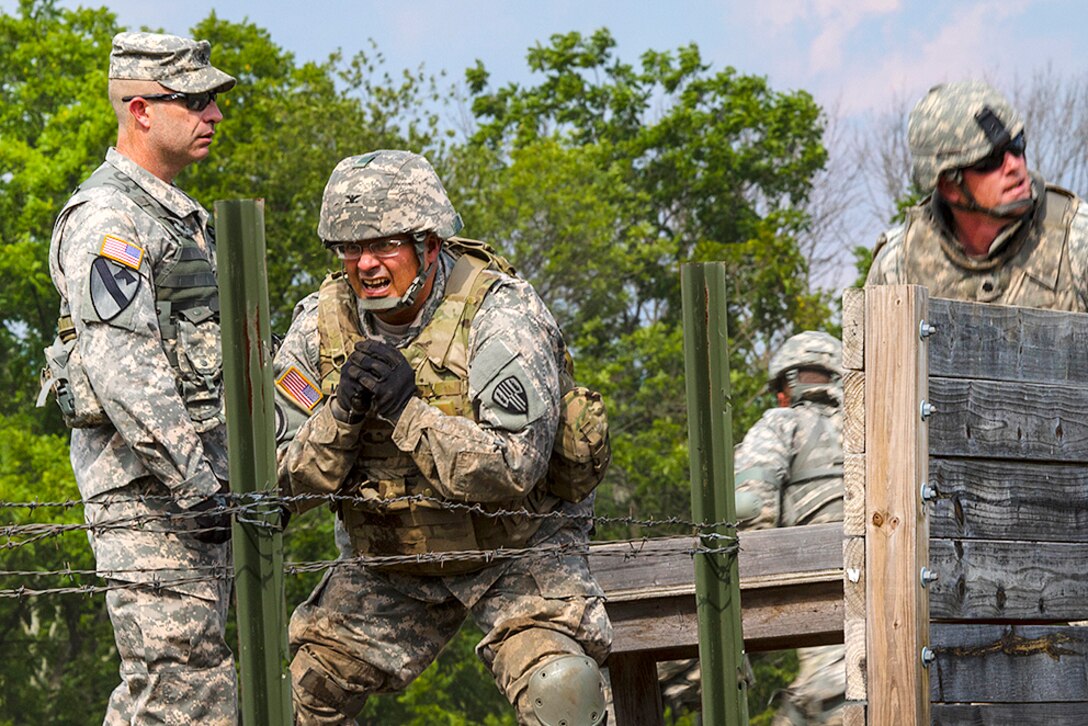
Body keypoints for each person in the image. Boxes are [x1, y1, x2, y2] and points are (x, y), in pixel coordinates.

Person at [273, 149, 613, 725]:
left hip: (516, 552)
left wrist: (408, 413)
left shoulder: (501, 314)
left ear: (429, 246)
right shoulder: (318, 327)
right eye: (352, 248)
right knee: (298, 701)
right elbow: (278, 483)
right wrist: (341, 417)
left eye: (386, 245)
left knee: (563, 692)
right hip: (391, 562)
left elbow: (514, 468)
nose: (368, 265)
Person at [41, 32, 237, 724]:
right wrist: (197, 485)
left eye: (214, 100)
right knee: (185, 693)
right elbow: (125, 371)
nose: (214, 115)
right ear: (142, 109)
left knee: (174, 693)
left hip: (189, 496)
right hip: (153, 496)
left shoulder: (171, 217)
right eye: (195, 100)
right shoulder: (111, 220)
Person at [659, 331, 845, 724]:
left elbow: (748, 513)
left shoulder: (782, 423)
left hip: (829, 649)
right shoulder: (879, 431)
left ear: (786, 387)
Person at [866, 80, 1088, 309]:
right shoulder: (897, 268)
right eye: (990, 160)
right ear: (949, 185)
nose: (1014, 164)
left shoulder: (1079, 243)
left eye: (1017, 143)